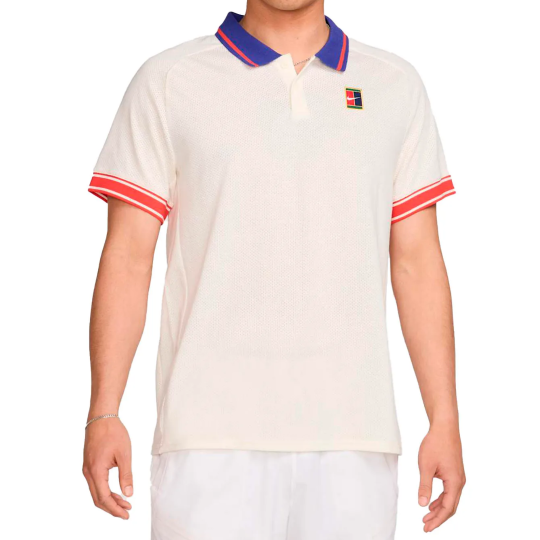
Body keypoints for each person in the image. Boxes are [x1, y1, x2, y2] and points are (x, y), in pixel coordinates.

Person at [83, 0, 466, 538]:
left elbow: (417, 262)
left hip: (355, 437)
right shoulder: (169, 81)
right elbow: (127, 257)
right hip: (207, 439)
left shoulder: (395, 85)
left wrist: (444, 419)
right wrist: (104, 411)